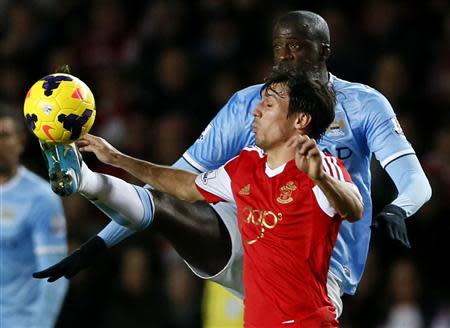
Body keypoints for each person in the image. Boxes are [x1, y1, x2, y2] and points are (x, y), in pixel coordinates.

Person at [34, 10, 431, 317]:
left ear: (323, 51)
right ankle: (82, 178)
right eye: (279, 46)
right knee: (174, 204)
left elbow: (402, 186)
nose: (285, 55)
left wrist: (398, 207)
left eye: (296, 45)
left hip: (317, 269)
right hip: (257, 243)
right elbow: (175, 182)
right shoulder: (249, 109)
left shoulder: (361, 107)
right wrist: (99, 240)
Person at [39, 71, 363, 326]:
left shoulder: (319, 166)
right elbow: (183, 187)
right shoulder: (246, 164)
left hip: (306, 321)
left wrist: (321, 177)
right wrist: (118, 158)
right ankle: (85, 178)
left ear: (300, 120)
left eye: (270, 103)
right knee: (169, 208)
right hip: (259, 320)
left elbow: (353, 207)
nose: (256, 109)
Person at [0, 105, 68, 328]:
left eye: (3, 136)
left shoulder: (39, 197)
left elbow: (55, 275)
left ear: (20, 141)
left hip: (19, 322)